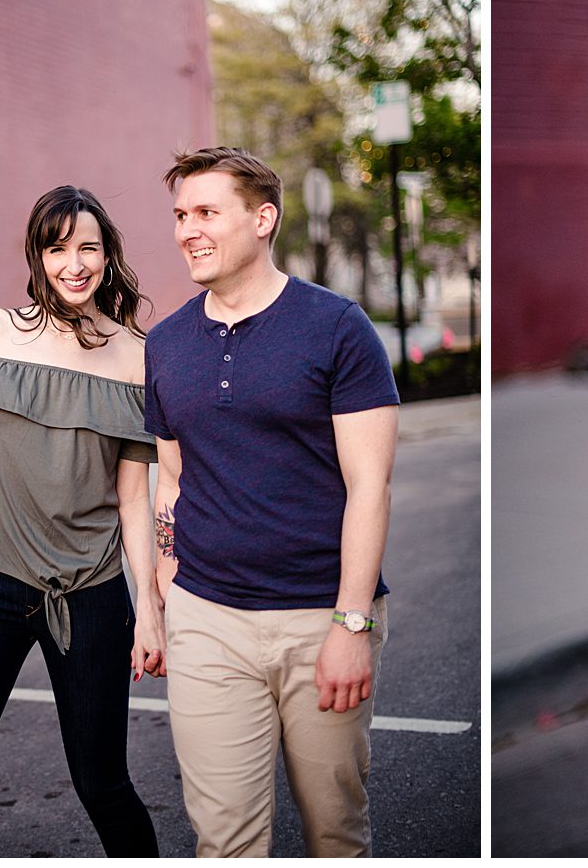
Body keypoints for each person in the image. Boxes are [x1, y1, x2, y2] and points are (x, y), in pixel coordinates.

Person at [144, 147, 401, 857]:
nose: (186, 231)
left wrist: (351, 623)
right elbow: (172, 478)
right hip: (209, 621)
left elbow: (369, 485)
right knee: (224, 842)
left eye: (205, 212)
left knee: (334, 833)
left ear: (262, 219)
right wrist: (167, 590)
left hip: (318, 617)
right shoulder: (165, 344)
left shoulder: (336, 327)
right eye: (179, 216)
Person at [0, 186, 162, 856]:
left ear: (108, 256)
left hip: (92, 594)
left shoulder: (136, 356)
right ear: (38, 255)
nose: (74, 263)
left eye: (88, 248)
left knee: (104, 785)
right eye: (58, 247)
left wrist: (150, 609)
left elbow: (134, 498)